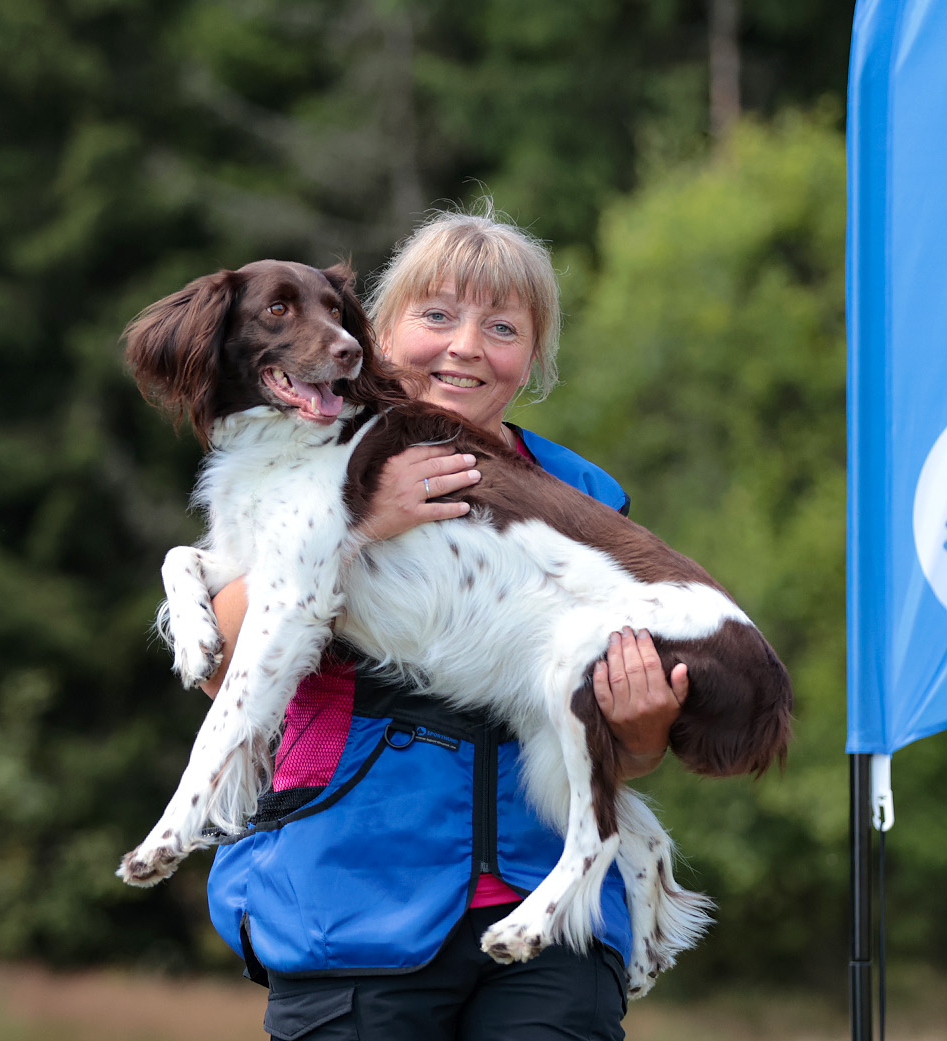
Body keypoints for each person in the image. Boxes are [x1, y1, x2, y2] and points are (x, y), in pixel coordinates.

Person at [199, 207, 687, 1041]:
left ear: (532, 358)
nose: (466, 347)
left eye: (502, 328)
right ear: (377, 333)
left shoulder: (588, 498)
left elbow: (626, 754)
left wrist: (644, 725)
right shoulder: (302, 460)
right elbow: (219, 671)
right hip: (348, 901)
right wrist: (357, 523)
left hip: (551, 915)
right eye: (437, 315)